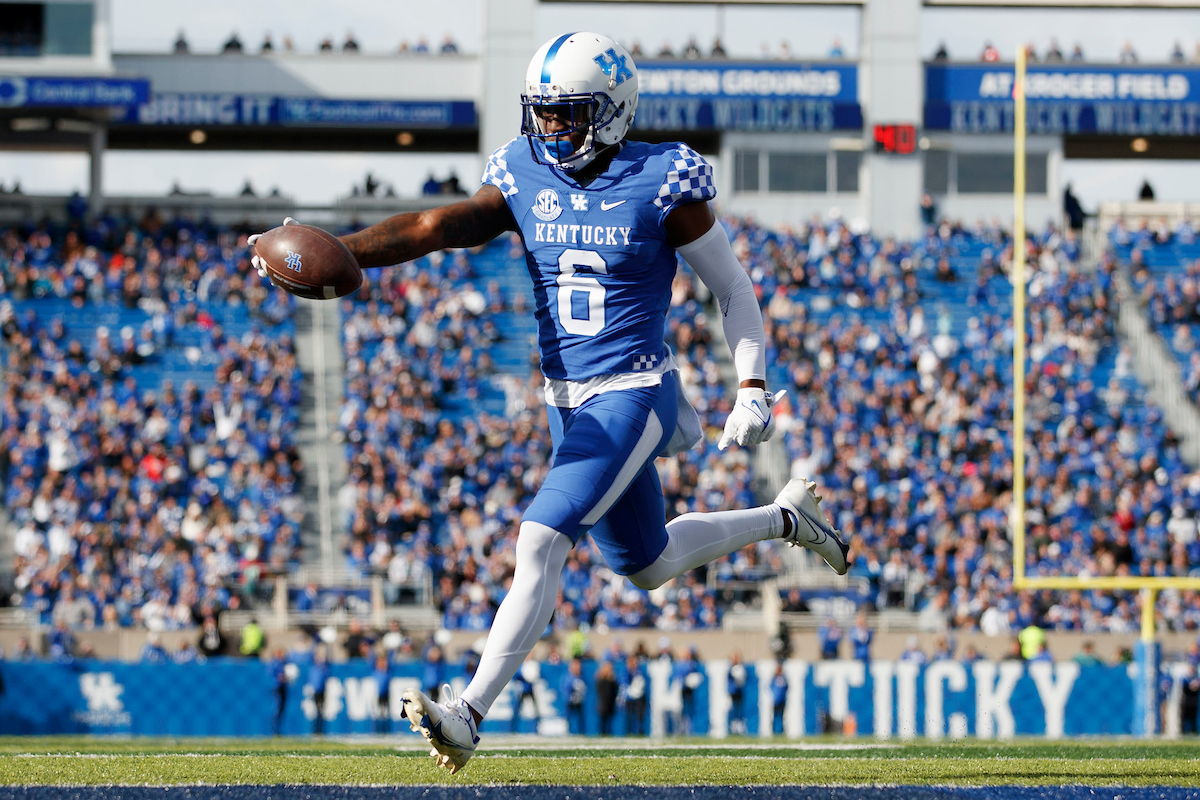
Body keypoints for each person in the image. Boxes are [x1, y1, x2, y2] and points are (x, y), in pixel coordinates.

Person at [251, 31, 848, 773]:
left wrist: (751, 384)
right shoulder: (523, 169)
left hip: (635, 390)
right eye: (544, 113)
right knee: (649, 565)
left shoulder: (663, 178)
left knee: (539, 539)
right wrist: (334, 246)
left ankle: (468, 713)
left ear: (612, 110)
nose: (553, 128)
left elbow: (733, 288)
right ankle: (789, 519)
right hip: (570, 402)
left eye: (568, 113)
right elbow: (438, 228)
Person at [621, 653, 648, 736]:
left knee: (640, 716)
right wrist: (630, 692)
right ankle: (629, 732)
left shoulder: (639, 671)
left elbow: (643, 683)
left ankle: (639, 731)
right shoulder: (626, 672)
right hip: (629, 698)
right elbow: (623, 684)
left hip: (639, 698)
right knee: (629, 716)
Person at [561, 657, 588, 734]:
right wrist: (570, 696)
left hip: (579, 701)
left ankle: (580, 732)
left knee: (580, 718)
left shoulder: (581, 676)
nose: (577, 667)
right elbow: (565, 689)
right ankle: (568, 732)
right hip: (570, 701)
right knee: (568, 718)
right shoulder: (568, 677)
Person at [308, 648, 330, 736]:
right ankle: (314, 730)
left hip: (322, 691)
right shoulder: (313, 667)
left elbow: (329, 657)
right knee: (314, 711)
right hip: (315, 691)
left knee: (321, 711)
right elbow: (310, 655)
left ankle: (319, 730)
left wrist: (328, 645)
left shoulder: (324, 668)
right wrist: (315, 644)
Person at [268, 647, 289, 735]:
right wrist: (279, 679)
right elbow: (271, 675)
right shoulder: (274, 663)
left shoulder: (284, 663)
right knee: (276, 708)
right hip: (277, 687)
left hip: (282, 687)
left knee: (281, 708)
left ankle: (278, 729)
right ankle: (274, 730)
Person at [595, 660, 618, 735]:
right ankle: (602, 733)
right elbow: (602, 692)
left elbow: (614, 691)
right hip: (603, 703)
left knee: (610, 721)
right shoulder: (601, 680)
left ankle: (608, 733)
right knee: (603, 721)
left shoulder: (612, 681)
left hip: (610, 703)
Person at [727, 651, 747, 735]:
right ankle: (733, 728)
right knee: (733, 710)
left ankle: (740, 728)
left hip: (739, 692)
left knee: (740, 710)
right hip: (732, 692)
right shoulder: (730, 668)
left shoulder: (741, 667)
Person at [373, 652, 391, 733]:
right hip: (377, 695)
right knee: (377, 714)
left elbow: (391, 659)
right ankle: (378, 730)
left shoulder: (387, 672)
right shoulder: (375, 671)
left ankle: (385, 730)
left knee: (385, 714)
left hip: (386, 695)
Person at [771, 663, 788, 735]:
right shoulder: (774, 678)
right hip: (776, 701)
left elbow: (787, 687)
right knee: (775, 716)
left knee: (782, 717)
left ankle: (781, 731)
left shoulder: (783, 679)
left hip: (782, 700)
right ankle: (773, 730)